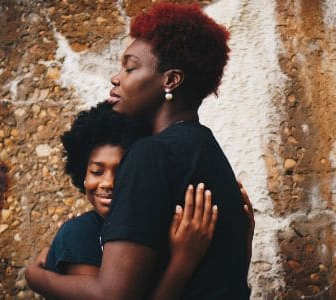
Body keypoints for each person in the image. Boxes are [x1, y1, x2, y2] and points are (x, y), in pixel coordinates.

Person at [26, 3, 252, 299]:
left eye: (130, 67)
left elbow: (113, 295)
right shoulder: (206, 150)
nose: (116, 78)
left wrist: (36, 277)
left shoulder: (150, 155)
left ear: (170, 80)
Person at [43, 103, 217, 283]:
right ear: (82, 175)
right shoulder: (80, 233)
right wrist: (182, 263)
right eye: (97, 171)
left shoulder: (152, 226)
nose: (108, 183)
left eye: (122, 171)